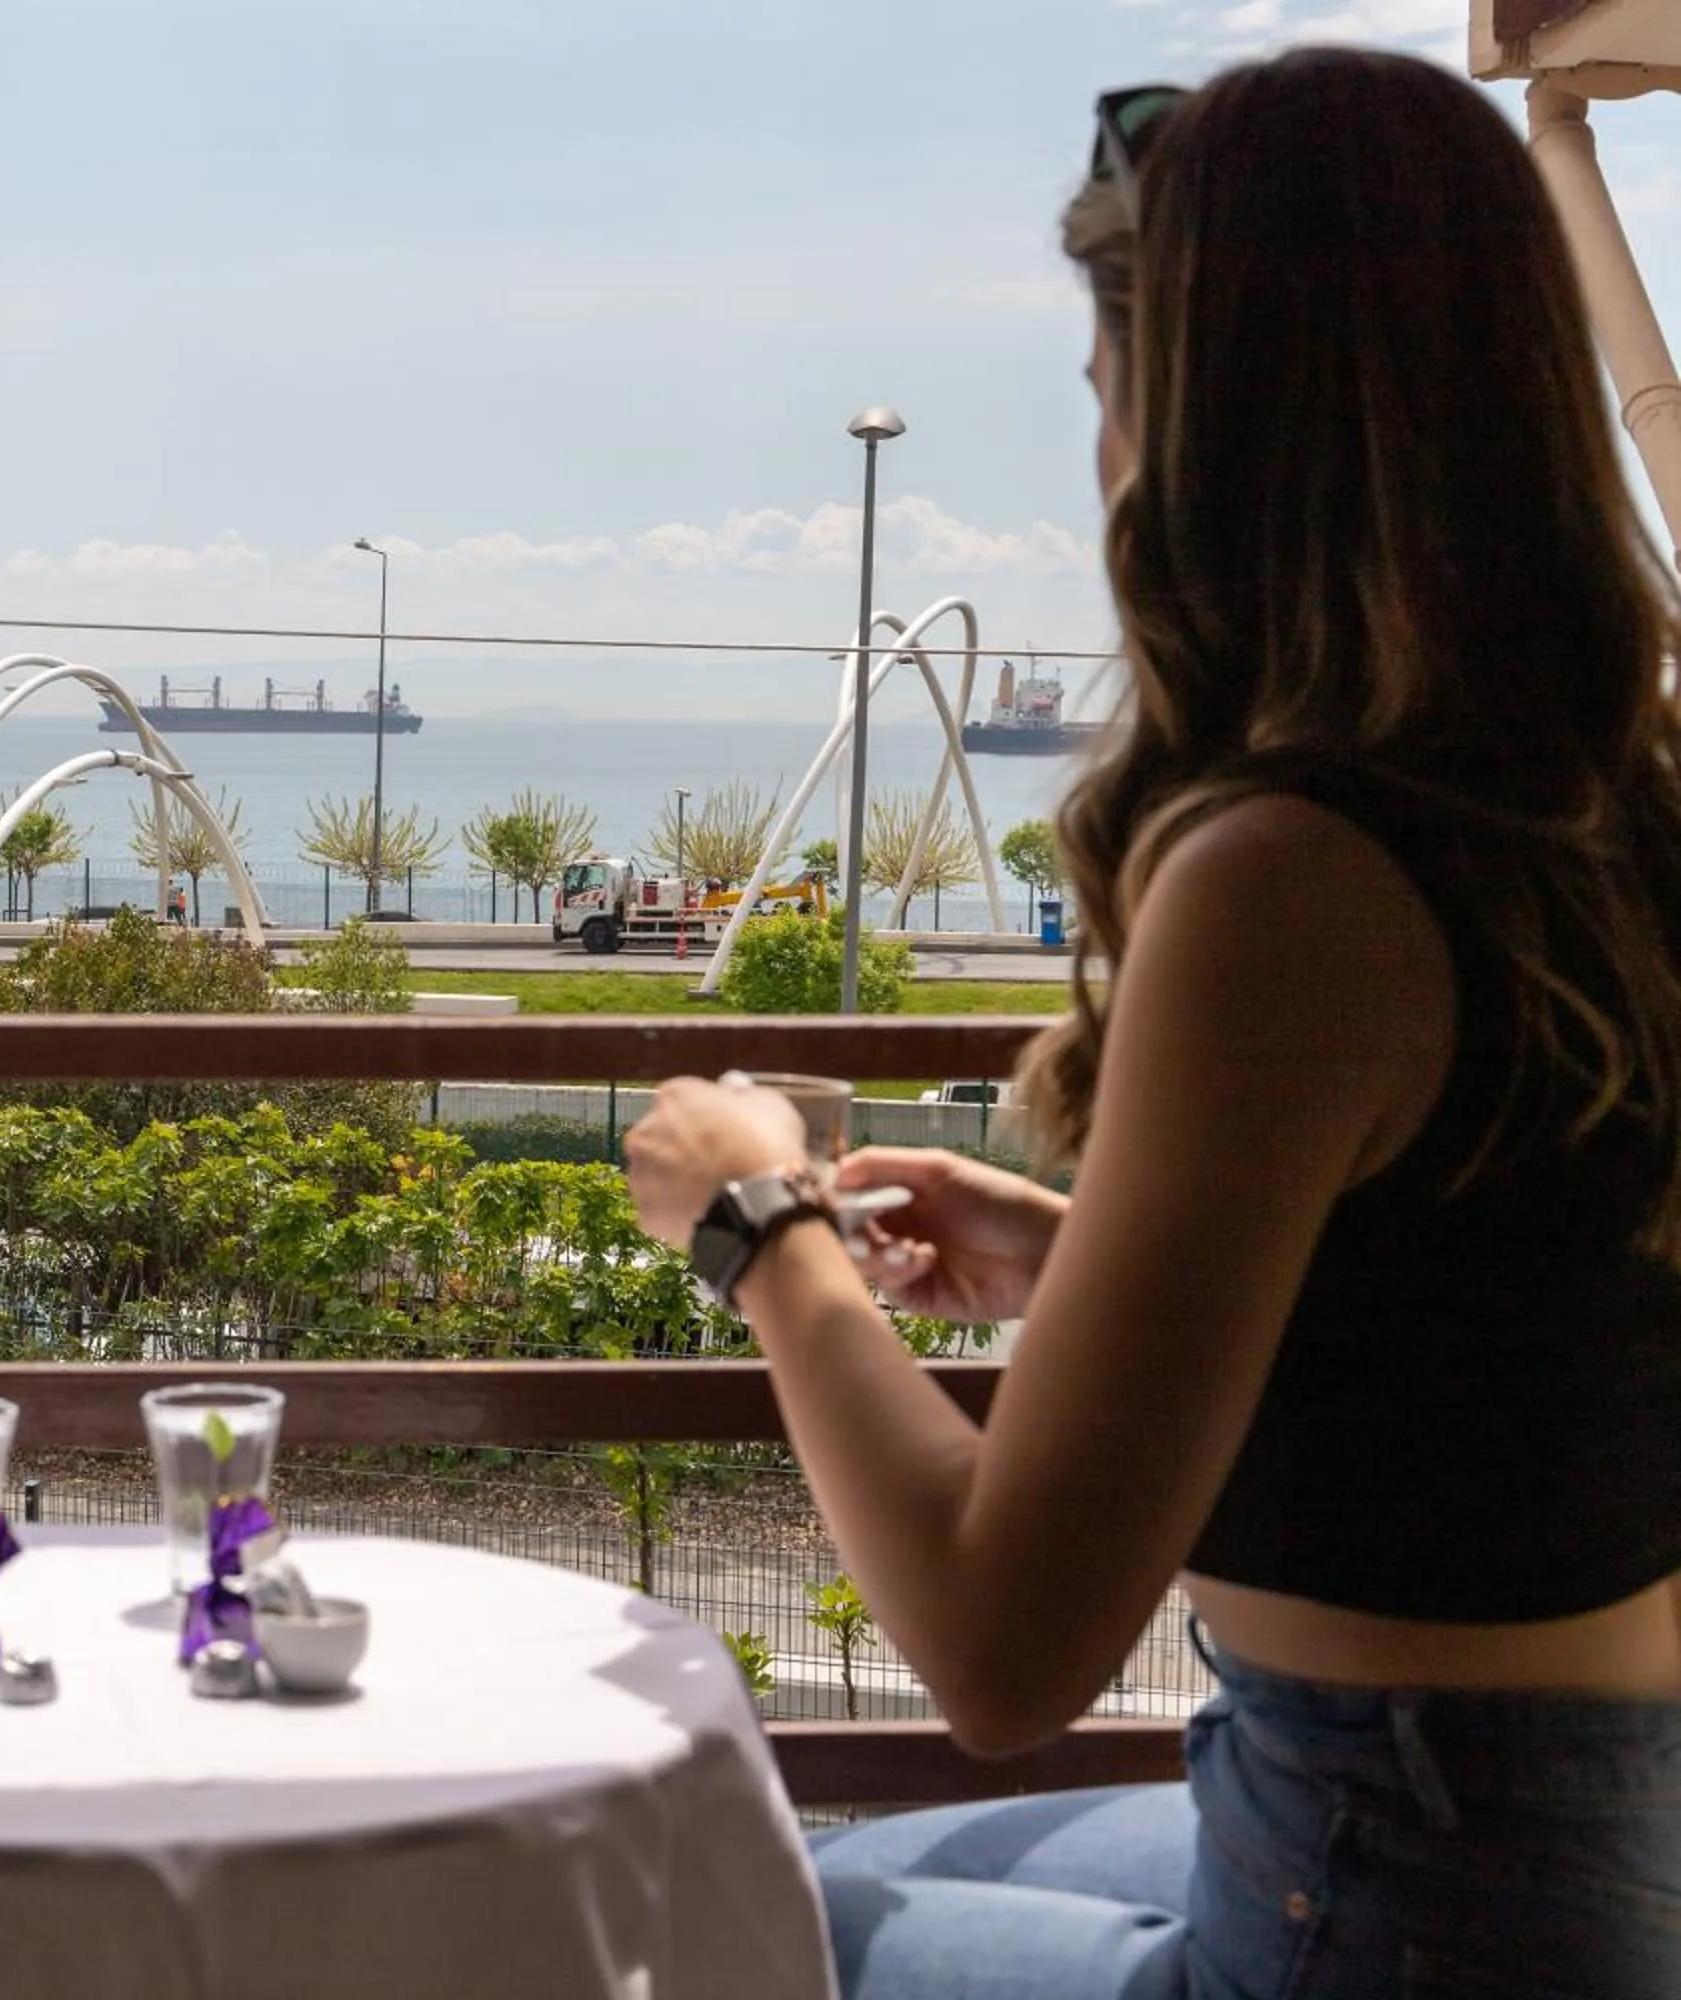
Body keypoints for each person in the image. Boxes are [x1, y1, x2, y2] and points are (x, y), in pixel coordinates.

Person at [623, 50, 1681, 1999]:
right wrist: (1077, 1258)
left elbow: (1002, 1648)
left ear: (1198, 411)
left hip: (1404, 1884)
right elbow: (1493, 1324)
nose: (1098, 425)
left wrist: (754, 1228)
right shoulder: (1609, 800)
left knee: (735, 1911)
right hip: (1575, 1827)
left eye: (1109, 374)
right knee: (821, 1856)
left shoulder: (1291, 875)